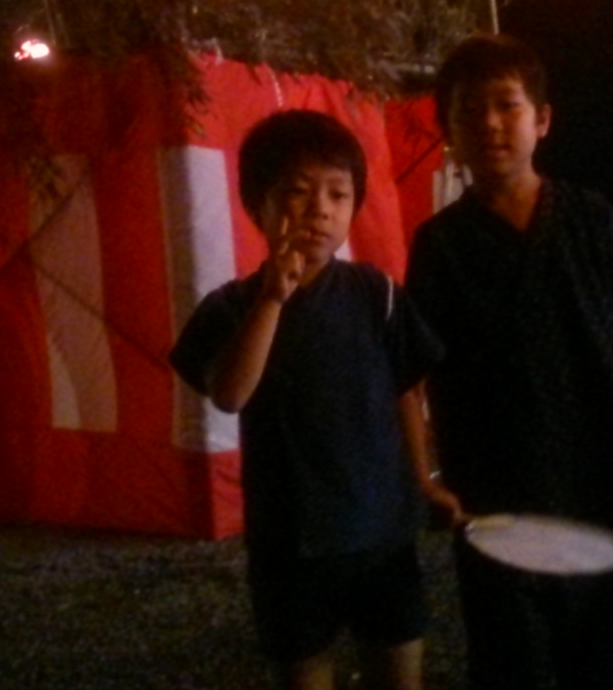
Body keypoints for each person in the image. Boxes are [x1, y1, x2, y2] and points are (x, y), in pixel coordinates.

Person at [401, 33, 613, 690]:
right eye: (469, 111)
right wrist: (422, 477)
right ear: (448, 133)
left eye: (507, 105)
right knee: (515, 663)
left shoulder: (592, 220)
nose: (490, 123)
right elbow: (408, 369)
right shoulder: (440, 246)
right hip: (495, 496)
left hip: (600, 481)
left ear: (542, 119)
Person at [169, 109, 443, 690]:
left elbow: (405, 391)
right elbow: (229, 394)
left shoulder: (376, 295)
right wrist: (272, 298)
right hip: (290, 545)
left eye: (338, 194)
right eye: (297, 191)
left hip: (382, 535)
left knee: (398, 671)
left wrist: (422, 480)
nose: (319, 209)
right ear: (257, 205)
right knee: (303, 672)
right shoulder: (229, 307)